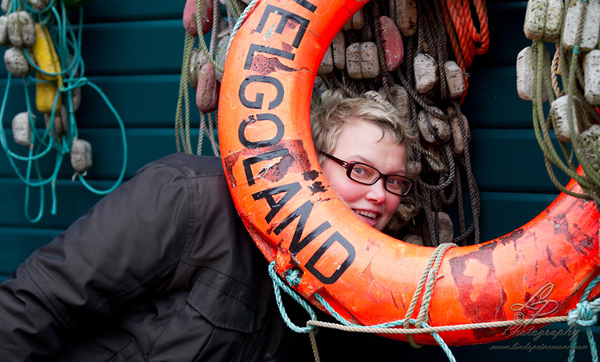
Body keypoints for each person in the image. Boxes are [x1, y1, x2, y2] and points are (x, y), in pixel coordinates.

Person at [0, 96, 412, 361]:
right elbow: (33, 306)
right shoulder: (190, 198)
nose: (380, 196)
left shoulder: (357, 290)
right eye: (360, 170)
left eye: (394, 181)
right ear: (308, 162)